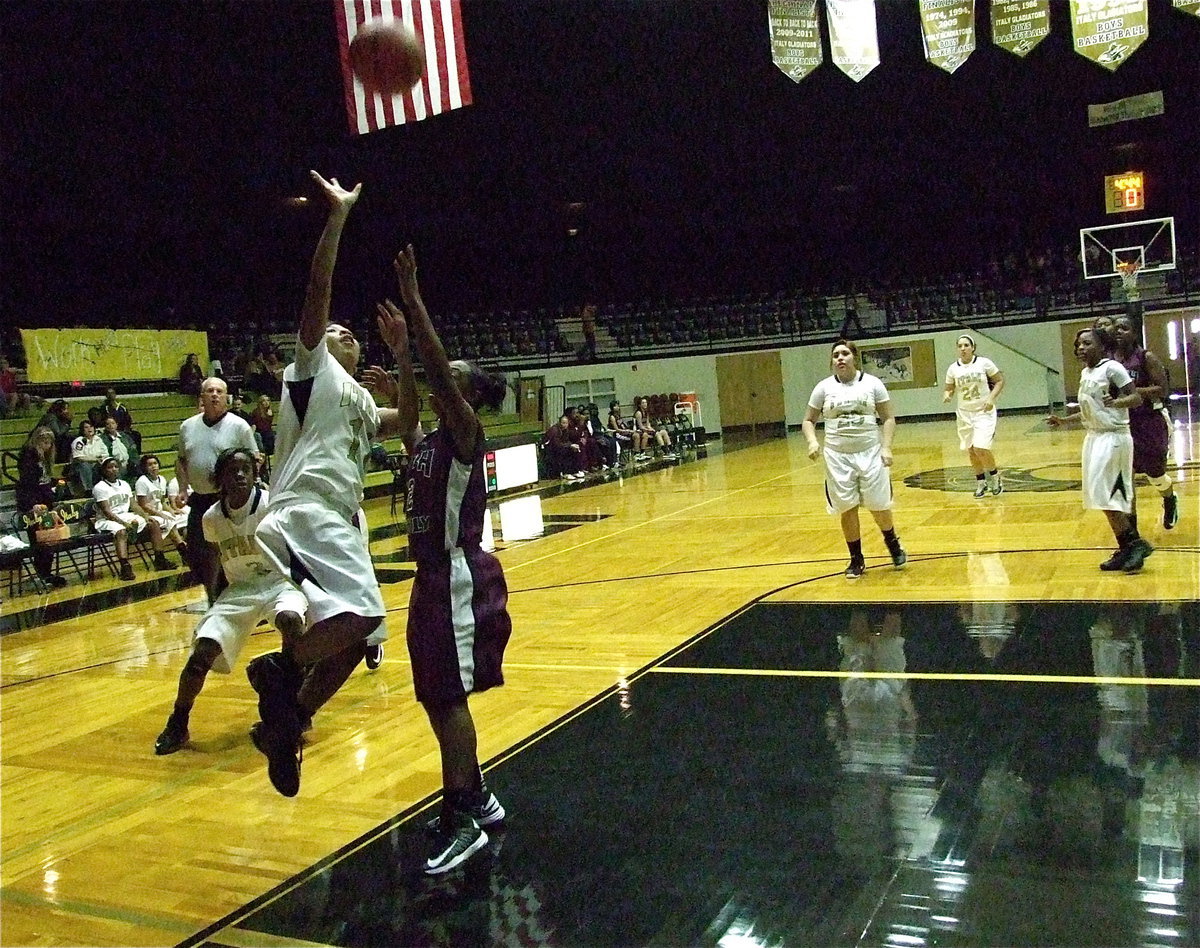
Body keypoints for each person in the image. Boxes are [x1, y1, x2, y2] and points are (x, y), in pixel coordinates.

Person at [243, 172, 399, 799]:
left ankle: (287, 724)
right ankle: (279, 673)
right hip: (305, 510)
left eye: (350, 333)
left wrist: (405, 358)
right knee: (364, 614)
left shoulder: (361, 399)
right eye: (335, 331)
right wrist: (336, 219)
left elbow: (410, 420)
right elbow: (317, 292)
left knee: (361, 638)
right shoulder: (313, 372)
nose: (343, 333)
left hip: (337, 519)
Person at [386, 241, 513, 875]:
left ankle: (465, 820)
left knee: (450, 697)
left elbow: (436, 373)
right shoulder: (430, 438)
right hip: (429, 580)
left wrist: (415, 305)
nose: (445, 376)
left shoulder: (466, 432)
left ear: (466, 393)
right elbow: (411, 413)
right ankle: (475, 797)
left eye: (454, 375)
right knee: (436, 698)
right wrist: (399, 356)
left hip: (457, 575)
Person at [153, 448, 307, 755]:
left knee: (291, 621)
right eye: (232, 470)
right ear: (219, 478)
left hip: (279, 582)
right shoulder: (211, 518)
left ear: (254, 474)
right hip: (240, 589)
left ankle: (295, 709)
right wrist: (214, 600)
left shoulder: (270, 505)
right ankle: (178, 722)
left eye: (245, 469)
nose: (239, 475)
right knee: (202, 653)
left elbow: (299, 546)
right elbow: (213, 560)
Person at [1047, 327, 1153, 572]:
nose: (1081, 348)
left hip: (1113, 437)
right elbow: (1091, 409)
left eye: (1087, 343)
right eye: (1078, 344)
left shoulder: (1113, 368)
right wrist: (1064, 421)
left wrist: (1117, 402)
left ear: (1102, 346)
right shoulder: (1086, 372)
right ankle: (1127, 547)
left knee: (1108, 495)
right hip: (1094, 437)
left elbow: (1135, 398)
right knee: (1101, 495)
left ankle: (1135, 544)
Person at [801, 339, 908, 579]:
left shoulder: (872, 383)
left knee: (878, 504)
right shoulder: (823, 388)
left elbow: (888, 418)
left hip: (870, 452)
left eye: (845, 353)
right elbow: (808, 420)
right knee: (846, 507)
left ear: (854, 358)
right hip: (837, 456)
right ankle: (856, 558)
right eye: (836, 355)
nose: (840, 358)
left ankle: (892, 543)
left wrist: (887, 447)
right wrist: (812, 441)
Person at [175, 376, 260, 604]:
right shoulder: (187, 426)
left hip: (228, 500)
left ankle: (229, 601)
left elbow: (254, 460)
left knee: (228, 553)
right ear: (201, 397)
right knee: (197, 554)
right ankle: (213, 597)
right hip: (199, 499)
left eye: (219, 391)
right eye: (210, 391)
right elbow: (181, 460)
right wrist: (182, 488)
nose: (214, 395)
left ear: (227, 398)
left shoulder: (239, 426)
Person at [1111, 315, 1179, 530]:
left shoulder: (1145, 357)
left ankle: (1169, 498)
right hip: (1122, 424)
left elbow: (1163, 389)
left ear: (1134, 333)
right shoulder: (1109, 360)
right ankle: (1133, 535)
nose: (1119, 331)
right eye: (1116, 328)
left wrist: (1131, 391)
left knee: (1156, 474)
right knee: (1126, 478)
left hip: (1149, 421)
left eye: (1124, 328)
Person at [942, 334, 1005, 497]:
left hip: (983, 411)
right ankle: (981, 482)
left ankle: (995, 477)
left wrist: (991, 398)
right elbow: (949, 388)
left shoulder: (984, 363)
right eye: (960, 346)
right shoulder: (953, 369)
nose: (963, 349)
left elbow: (999, 381)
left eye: (966, 345)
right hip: (964, 413)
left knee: (980, 448)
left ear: (973, 347)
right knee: (971, 450)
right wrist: (947, 395)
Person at [93, 456, 175, 581]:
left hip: (126, 515)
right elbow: (107, 511)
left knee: (153, 522)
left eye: (116, 466)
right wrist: (123, 523)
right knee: (121, 531)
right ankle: (125, 567)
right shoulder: (100, 487)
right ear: (103, 470)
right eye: (110, 467)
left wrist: (145, 516)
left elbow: (133, 505)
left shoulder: (124, 484)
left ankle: (160, 559)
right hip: (106, 520)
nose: (114, 469)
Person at [15, 426, 67, 587]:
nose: (47, 446)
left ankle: (46, 573)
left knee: (48, 538)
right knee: (38, 539)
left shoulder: (45, 458)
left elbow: (44, 480)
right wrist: (32, 504)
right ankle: (42, 573)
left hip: (45, 501)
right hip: (33, 503)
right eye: (44, 442)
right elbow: (27, 483)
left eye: (50, 443)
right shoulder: (28, 457)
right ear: (37, 441)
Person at [135, 454, 188, 553]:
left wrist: (172, 510)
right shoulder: (142, 481)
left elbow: (162, 501)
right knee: (169, 521)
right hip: (147, 514)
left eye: (155, 463)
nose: (153, 466)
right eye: (150, 465)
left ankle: (187, 546)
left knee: (185, 518)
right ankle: (182, 547)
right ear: (144, 468)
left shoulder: (162, 479)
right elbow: (143, 505)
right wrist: (161, 514)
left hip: (159, 512)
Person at [97, 387, 141, 451]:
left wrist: (126, 429)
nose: (111, 395)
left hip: (123, 430)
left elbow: (128, 420)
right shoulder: (103, 408)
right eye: (108, 393)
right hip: (110, 431)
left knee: (136, 435)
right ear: (106, 396)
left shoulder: (122, 407)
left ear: (115, 394)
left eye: (112, 393)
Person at [70, 420, 107, 493]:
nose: (89, 429)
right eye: (86, 427)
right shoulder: (79, 441)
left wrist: (101, 459)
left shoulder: (98, 439)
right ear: (82, 430)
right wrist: (94, 459)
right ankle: (89, 490)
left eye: (91, 426)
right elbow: (78, 457)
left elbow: (105, 453)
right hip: (80, 466)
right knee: (84, 465)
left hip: (97, 464)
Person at [544, 414, 585, 481]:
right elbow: (556, 444)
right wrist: (569, 446)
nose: (565, 425)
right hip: (551, 450)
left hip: (561, 447)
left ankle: (574, 471)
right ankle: (566, 473)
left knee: (575, 449)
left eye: (566, 423)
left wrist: (572, 445)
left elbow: (567, 441)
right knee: (566, 451)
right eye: (563, 423)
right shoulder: (554, 430)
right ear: (559, 423)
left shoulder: (566, 430)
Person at [35, 399, 74, 463]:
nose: (67, 411)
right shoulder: (51, 417)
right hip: (41, 442)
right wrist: (67, 423)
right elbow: (57, 433)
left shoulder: (59, 418)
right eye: (65, 409)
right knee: (67, 439)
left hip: (51, 441)